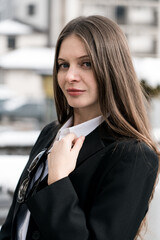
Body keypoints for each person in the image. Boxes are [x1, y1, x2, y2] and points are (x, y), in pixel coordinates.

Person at [0, 15, 159, 240]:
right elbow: (15, 223)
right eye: (63, 65)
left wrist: (58, 181)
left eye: (86, 64)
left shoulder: (133, 156)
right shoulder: (50, 133)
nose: (70, 76)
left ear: (112, 68)